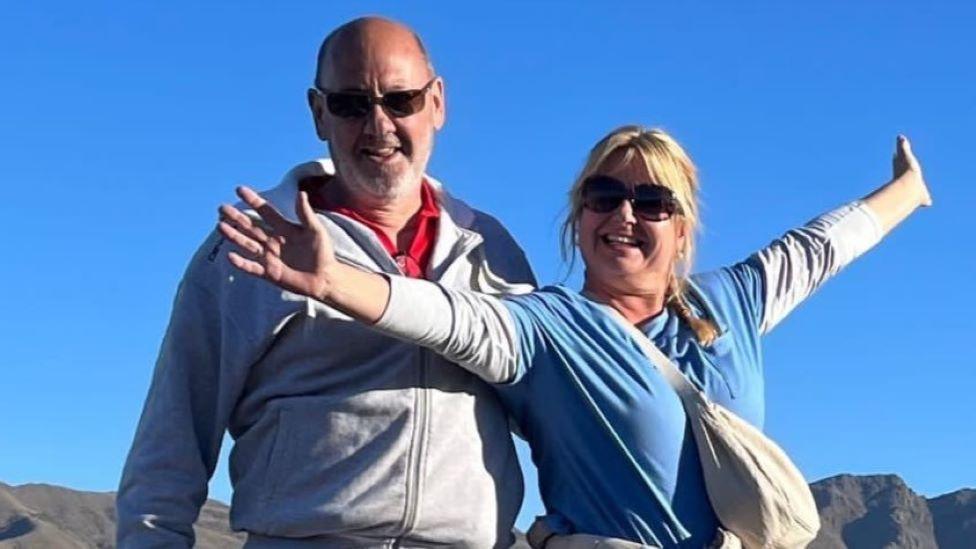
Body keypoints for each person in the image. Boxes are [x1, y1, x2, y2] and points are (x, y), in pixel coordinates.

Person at [218, 125, 932, 548]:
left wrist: (908, 190)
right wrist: (336, 280)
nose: (625, 213)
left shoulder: (729, 301)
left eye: (652, 201)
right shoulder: (545, 327)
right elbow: (446, 315)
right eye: (605, 195)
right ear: (579, 215)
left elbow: (820, 248)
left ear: (681, 228)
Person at [117, 17, 535, 548]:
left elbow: (547, 416)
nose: (378, 124)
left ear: (437, 104)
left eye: (400, 100)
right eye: (351, 104)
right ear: (318, 112)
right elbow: (172, 435)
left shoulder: (490, 247)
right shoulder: (250, 244)